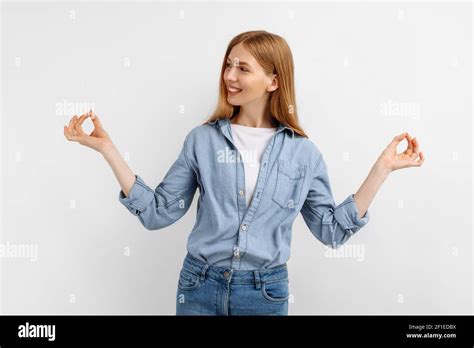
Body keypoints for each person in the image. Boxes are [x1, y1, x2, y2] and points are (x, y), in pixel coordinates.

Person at [63, 30, 425, 316]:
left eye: (243, 68)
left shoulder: (303, 153)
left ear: (274, 80)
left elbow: (330, 231)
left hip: (265, 294)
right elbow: (159, 213)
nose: (229, 76)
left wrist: (382, 170)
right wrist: (107, 149)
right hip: (198, 287)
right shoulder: (202, 140)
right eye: (228, 65)